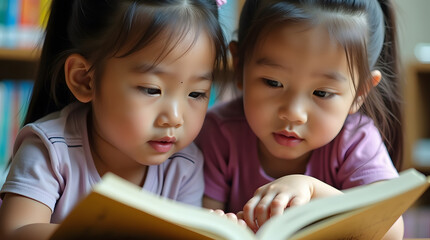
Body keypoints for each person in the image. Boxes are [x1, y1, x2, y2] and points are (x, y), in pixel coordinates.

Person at [0, 0, 228, 239]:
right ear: (85, 80)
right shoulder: (51, 150)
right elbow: (15, 231)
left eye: (196, 94)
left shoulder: (184, 165)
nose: (174, 118)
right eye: (151, 89)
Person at [195, 0, 404, 238]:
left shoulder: (356, 140)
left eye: (322, 93)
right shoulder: (218, 132)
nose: (293, 113)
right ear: (240, 65)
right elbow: (204, 220)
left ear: (359, 93)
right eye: (273, 83)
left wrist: (313, 191)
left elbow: (391, 230)